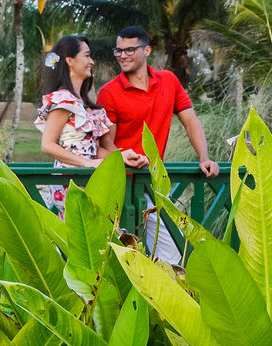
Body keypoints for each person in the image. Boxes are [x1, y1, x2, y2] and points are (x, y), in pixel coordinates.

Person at [98, 26, 220, 263]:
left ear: (147, 50)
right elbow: (106, 144)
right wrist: (125, 156)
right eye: (118, 51)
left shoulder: (169, 81)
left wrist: (204, 157)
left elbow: (190, 120)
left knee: (171, 257)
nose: (122, 55)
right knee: (113, 258)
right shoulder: (109, 92)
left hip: (150, 186)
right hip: (117, 186)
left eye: (130, 50)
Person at [35, 35, 119, 216]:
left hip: (91, 179)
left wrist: (122, 158)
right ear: (70, 61)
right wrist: (87, 163)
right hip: (70, 181)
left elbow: (94, 150)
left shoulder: (87, 106)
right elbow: (47, 144)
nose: (92, 61)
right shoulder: (63, 100)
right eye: (87, 56)